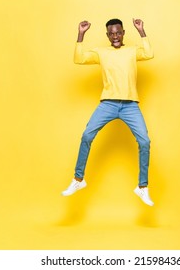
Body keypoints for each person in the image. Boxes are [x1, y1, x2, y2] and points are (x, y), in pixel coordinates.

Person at [61, 18, 154, 206]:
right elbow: (78, 59)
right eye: (111, 34)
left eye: (118, 33)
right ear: (107, 35)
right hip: (108, 104)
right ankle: (78, 180)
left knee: (144, 141)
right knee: (87, 135)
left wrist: (142, 31)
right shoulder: (101, 52)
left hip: (130, 105)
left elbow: (149, 53)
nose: (115, 37)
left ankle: (142, 187)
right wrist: (81, 34)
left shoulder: (132, 51)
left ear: (123, 33)